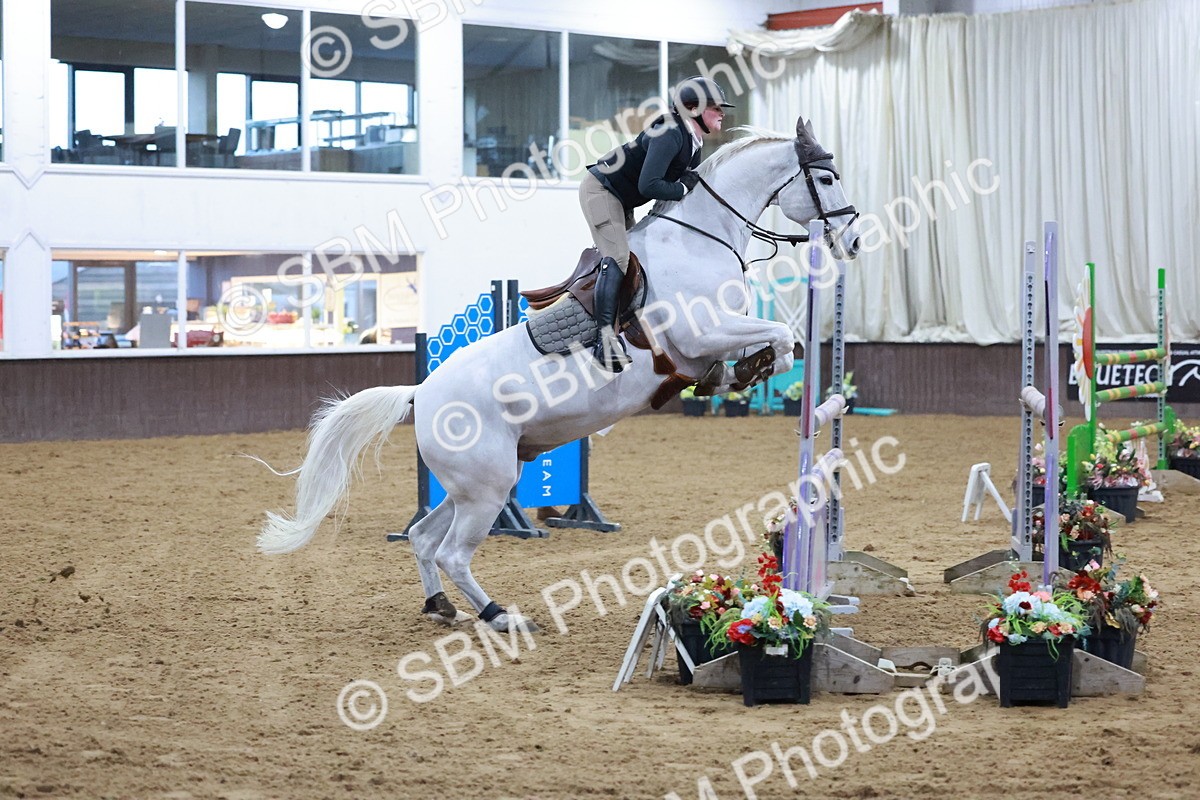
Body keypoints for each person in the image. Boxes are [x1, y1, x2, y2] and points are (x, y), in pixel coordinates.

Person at [579, 76, 734, 371]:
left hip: (621, 198)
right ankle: (604, 341)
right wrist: (683, 188)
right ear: (693, 109)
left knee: (640, 260)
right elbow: (650, 185)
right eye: (715, 108)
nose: (722, 113)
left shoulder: (693, 141)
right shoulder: (671, 132)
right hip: (601, 190)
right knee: (619, 258)